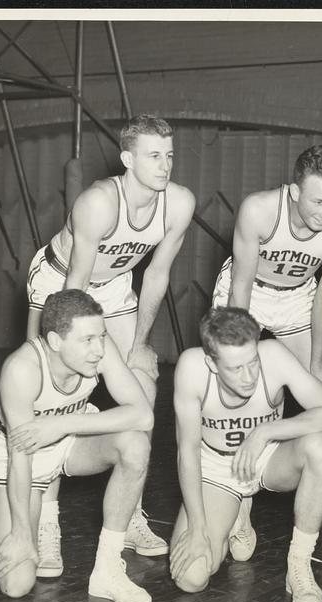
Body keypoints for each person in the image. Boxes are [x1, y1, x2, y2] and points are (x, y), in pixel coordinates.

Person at [25, 114, 196, 575]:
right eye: (154, 156)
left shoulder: (178, 203)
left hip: (117, 288)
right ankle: (46, 523)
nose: (165, 165)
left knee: (144, 383)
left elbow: (156, 274)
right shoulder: (98, 203)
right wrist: (74, 359)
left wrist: (138, 344)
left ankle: (132, 513)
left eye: (170, 155)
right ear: (127, 159)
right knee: (53, 394)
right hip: (61, 285)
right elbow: (73, 290)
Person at [212, 145, 322, 563]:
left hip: (298, 299)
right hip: (246, 294)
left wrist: (317, 361)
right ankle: (240, 503)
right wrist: (242, 352)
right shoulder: (259, 211)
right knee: (241, 396)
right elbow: (241, 284)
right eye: (318, 200)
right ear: (293, 191)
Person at [0, 290, 155, 602]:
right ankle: (40, 522)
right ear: (54, 341)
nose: (99, 349)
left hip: (71, 439)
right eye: (87, 340)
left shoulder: (100, 352)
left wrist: (60, 424)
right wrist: (22, 533)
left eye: (101, 336)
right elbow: (20, 459)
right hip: (25, 457)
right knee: (16, 585)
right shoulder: (22, 369)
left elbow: (142, 414)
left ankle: (108, 569)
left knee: (135, 443)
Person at [168, 307, 322, 602]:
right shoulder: (191, 369)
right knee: (192, 577)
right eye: (236, 369)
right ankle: (235, 512)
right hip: (216, 469)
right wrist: (197, 528)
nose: (249, 376)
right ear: (212, 363)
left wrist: (265, 431)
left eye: (253, 363)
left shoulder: (274, 355)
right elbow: (187, 453)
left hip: (268, 458)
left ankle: (299, 565)